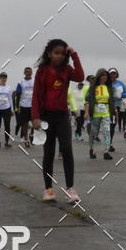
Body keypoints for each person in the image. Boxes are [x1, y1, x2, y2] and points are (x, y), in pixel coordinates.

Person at [31, 39, 83, 202]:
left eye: (62, 53)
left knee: (67, 149)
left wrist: (74, 55)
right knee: (49, 152)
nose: (59, 56)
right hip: (46, 116)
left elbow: (80, 76)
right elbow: (36, 95)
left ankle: (70, 189)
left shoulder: (67, 70)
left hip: (62, 115)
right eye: (56, 53)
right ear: (49, 53)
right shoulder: (42, 71)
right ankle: (49, 189)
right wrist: (35, 117)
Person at [85, 69, 114, 160]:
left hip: (106, 112)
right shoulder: (93, 87)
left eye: (106, 75)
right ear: (99, 76)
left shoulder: (108, 87)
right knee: (94, 132)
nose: (104, 77)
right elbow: (87, 100)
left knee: (107, 131)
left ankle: (106, 152)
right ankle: (91, 149)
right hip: (96, 111)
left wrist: (114, 111)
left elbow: (111, 100)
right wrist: (86, 112)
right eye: (102, 75)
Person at [108, 68, 126, 150]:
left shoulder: (120, 83)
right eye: (111, 73)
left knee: (112, 124)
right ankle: (109, 142)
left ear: (116, 74)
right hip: (108, 105)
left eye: (114, 73)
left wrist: (122, 95)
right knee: (108, 124)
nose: (113, 75)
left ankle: (110, 142)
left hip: (117, 106)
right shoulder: (106, 83)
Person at [15, 67, 34, 148]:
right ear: (24, 73)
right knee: (24, 124)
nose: (28, 73)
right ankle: (26, 140)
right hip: (23, 106)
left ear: (32, 73)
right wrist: (17, 106)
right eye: (27, 72)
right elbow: (18, 95)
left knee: (35, 122)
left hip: (33, 106)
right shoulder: (20, 82)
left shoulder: (35, 81)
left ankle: (32, 134)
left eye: (30, 72)